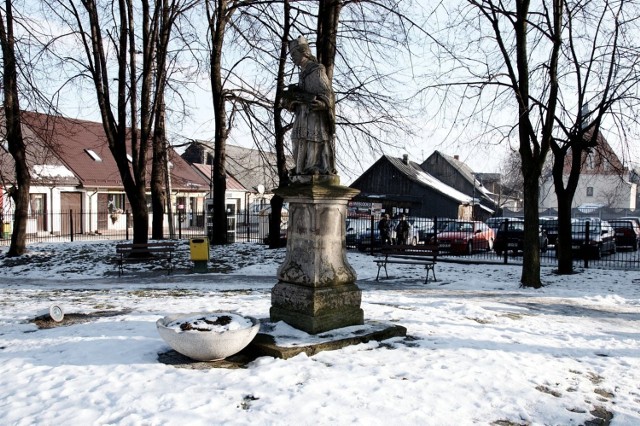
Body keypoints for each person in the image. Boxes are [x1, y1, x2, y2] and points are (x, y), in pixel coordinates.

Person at [282, 36, 336, 176]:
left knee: (313, 140)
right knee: (297, 139)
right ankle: (301, 167)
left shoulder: (317, 70)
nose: (292, 58)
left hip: (314, 115)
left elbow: (328, 93)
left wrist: (324, 103)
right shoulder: (302, 73)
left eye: (294, 54)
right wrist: (292, 102)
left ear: (304, 52)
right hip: (302, 115)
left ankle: (311, 166)